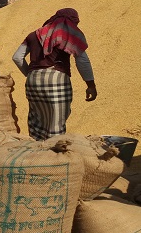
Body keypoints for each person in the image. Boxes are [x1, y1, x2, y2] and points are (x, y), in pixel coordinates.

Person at [12, 8, 96, 141]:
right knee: (56, 121)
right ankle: (54, 155)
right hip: (56, 78)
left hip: (33, 80)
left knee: (37, 120)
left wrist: (30, 73)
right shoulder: (70, 33)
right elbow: (82, 60)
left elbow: (17, 57)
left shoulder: (33, 35)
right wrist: (90, 85)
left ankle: (36, 153)